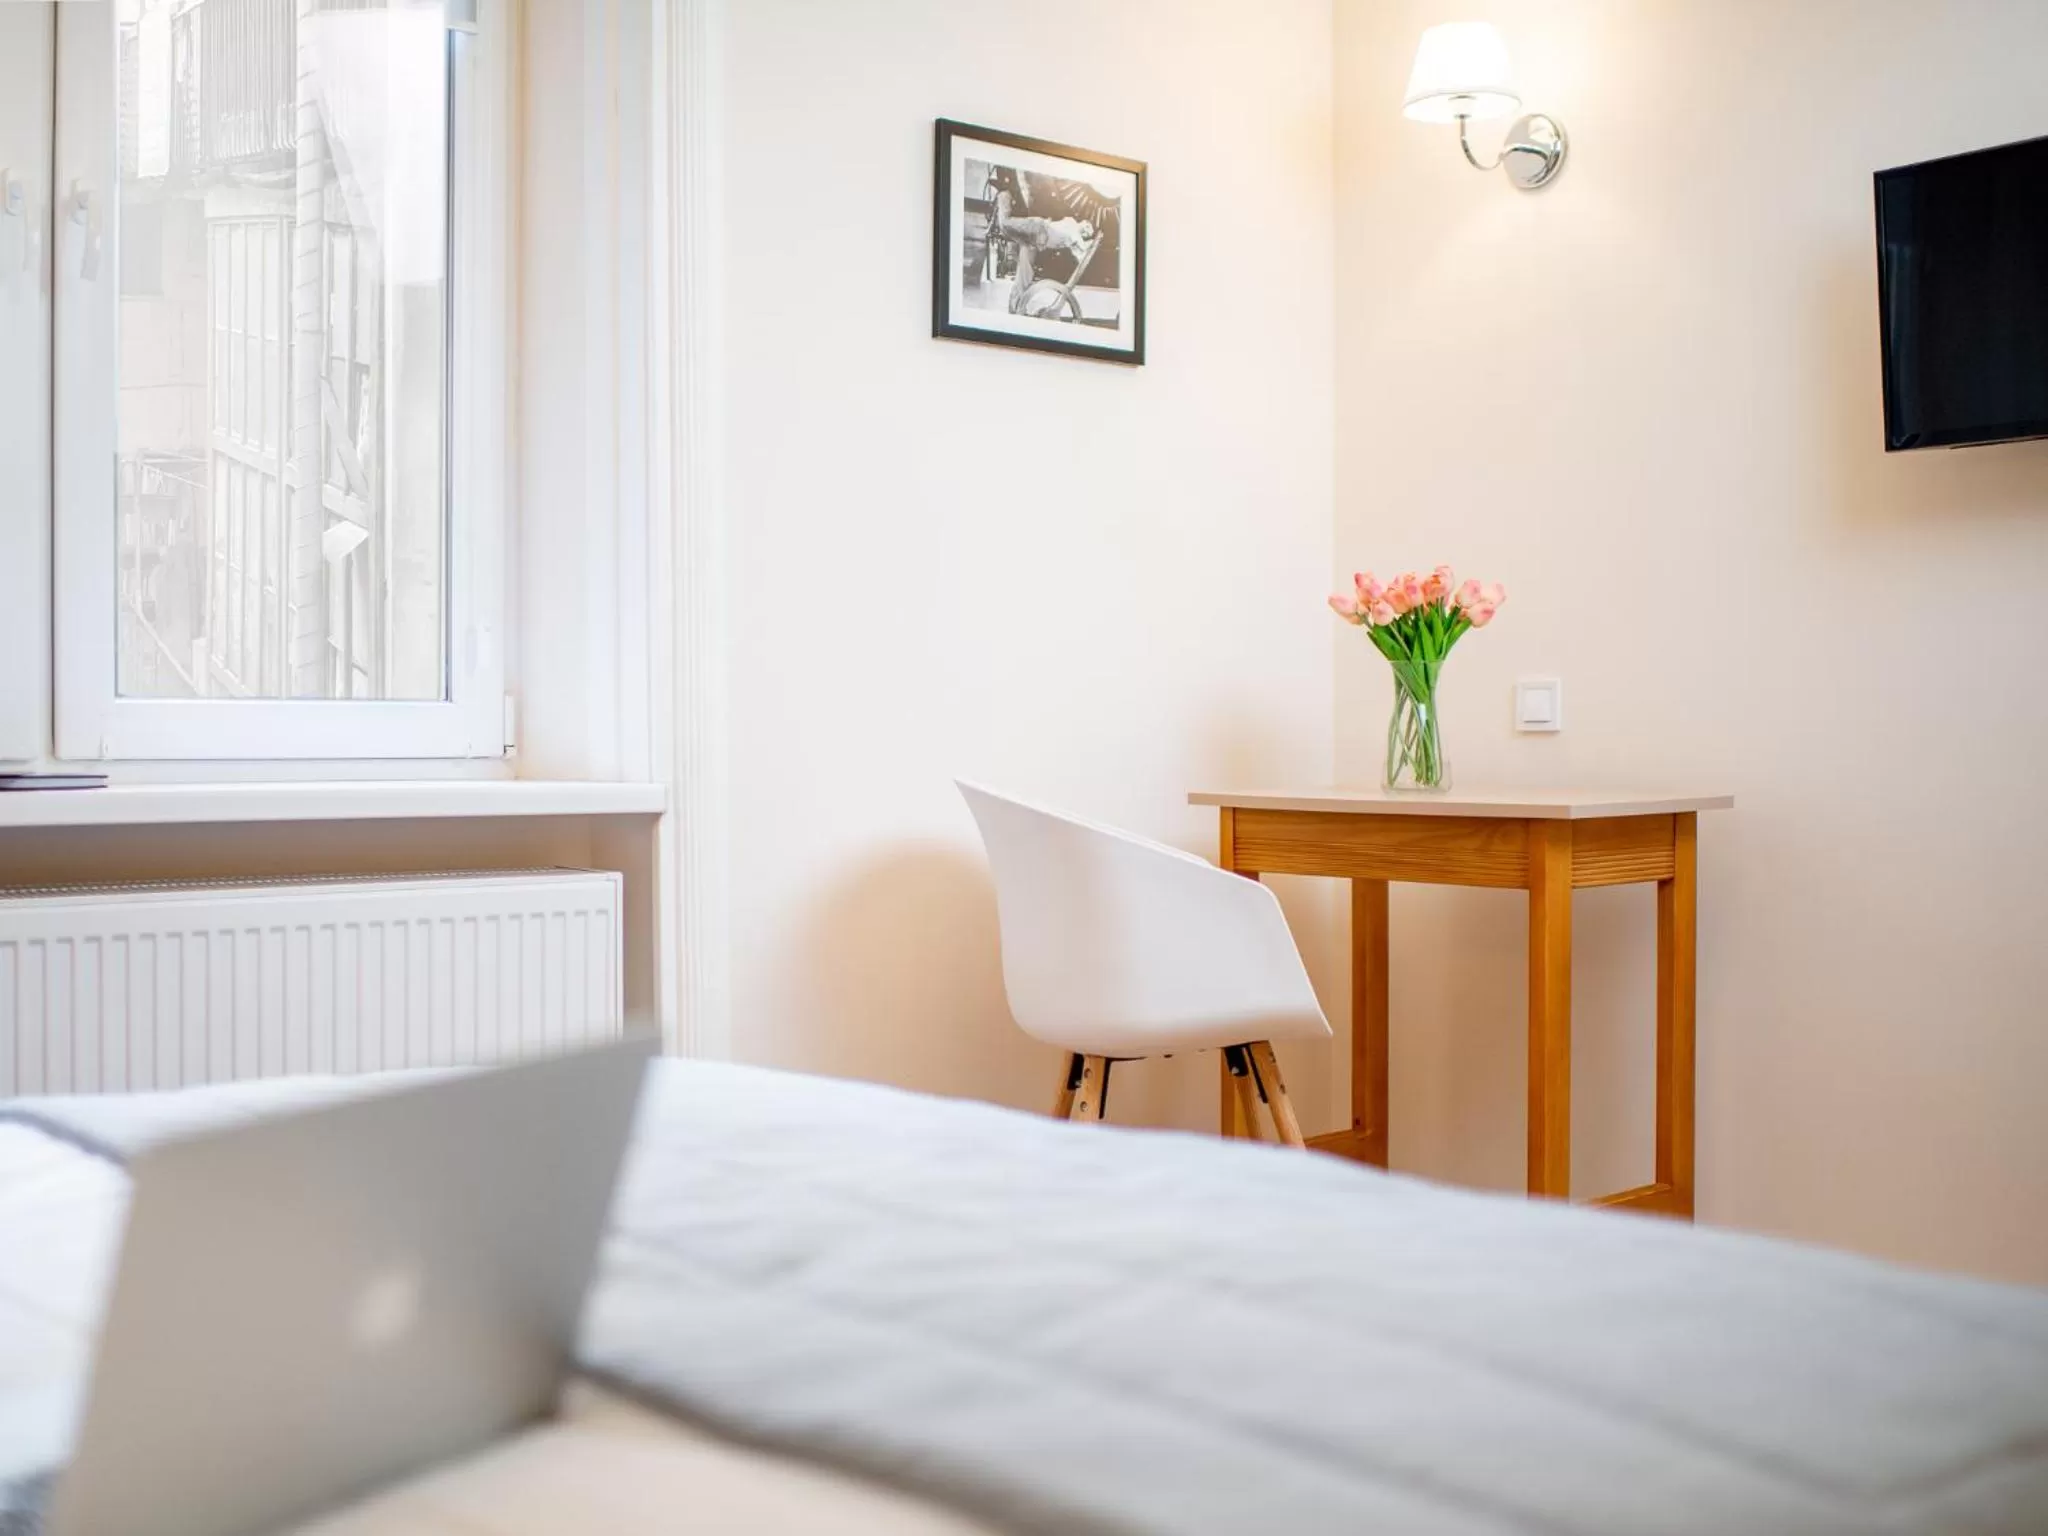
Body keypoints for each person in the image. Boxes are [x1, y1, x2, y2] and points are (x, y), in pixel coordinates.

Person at [993, 189, 1094, 315]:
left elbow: (1079, 255)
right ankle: (1004, 195)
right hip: (1038, 228)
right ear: (1083, 222)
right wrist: (1089, 245)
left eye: (1088, 233)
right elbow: (1081, 247)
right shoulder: (1073, 225)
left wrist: (1087, 248)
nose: (1087, 232)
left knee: (1025, 273)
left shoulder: (1072, 238)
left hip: (1036, 242)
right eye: (1087, 227)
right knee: (1005, 225)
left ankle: (1015, 307)